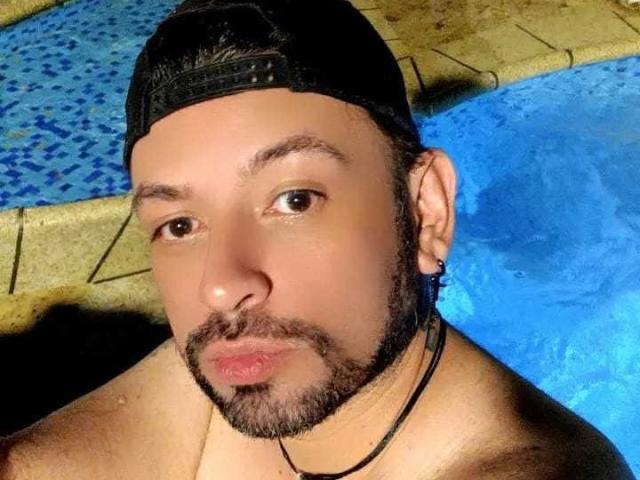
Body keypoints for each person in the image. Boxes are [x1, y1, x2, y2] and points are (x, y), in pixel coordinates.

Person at [1, 0, 635, 478]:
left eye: (294, 200)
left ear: (425, 211)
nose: (221, 285)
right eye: (179, 225)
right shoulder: (224, 372)